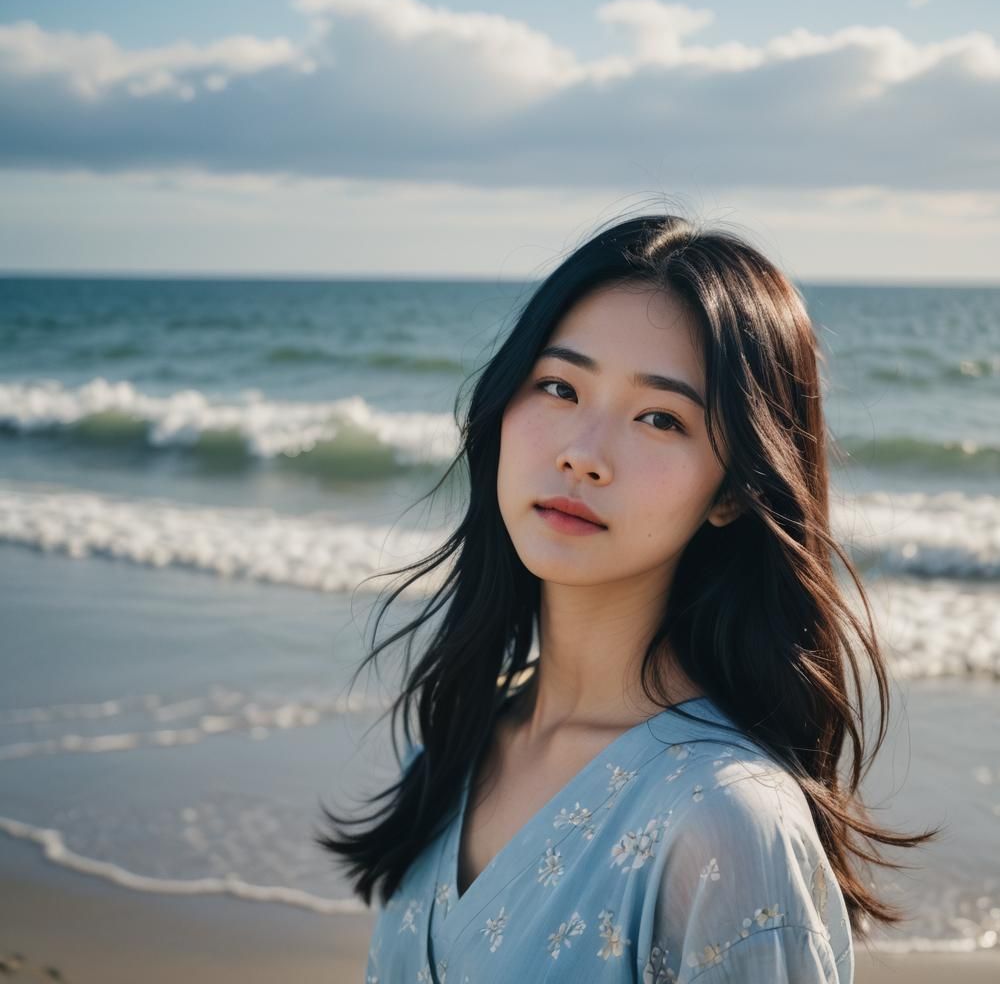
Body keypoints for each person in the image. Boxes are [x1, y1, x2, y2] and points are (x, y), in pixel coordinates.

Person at [315, 211, 942, 982]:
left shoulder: (724, 824)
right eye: (558, 386)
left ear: (733, 494)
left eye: (659, 418)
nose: (583, 454)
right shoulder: (451, 747)